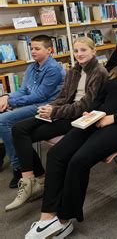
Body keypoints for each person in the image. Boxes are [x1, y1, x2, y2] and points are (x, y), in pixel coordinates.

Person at [25, 35, 117, 238]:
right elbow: (101, 98)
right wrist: (92, 113)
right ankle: (47, 216)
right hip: (98, 119)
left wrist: (112, 118)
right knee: (56, 154)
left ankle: (65, 219)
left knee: (79, 160)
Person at [7, 37, 108, 211]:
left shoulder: (99, 72)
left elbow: (86, 106)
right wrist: (50, 107)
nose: (79, 54)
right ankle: (32, 179)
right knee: (18, 130)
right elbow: (62, 97)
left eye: (83, 50)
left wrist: (55, 112)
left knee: (24, 135)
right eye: (76, 51)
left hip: (77, 119)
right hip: (61, 112)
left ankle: (35, 182)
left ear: (94, 51)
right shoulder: (74, 70)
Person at [0, 35, 65, 188]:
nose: (33, 51)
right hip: (32, 103)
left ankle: (18, 167)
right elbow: (23, 90)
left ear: (49, 50)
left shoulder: (53, 69)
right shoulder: (32, 67)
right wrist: (6, 96)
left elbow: (40, 96)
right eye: (31, 48)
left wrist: (10, 101)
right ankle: (14, 158)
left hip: (45, 106)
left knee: (3, 121)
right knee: (2, 114)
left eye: (37, 48)